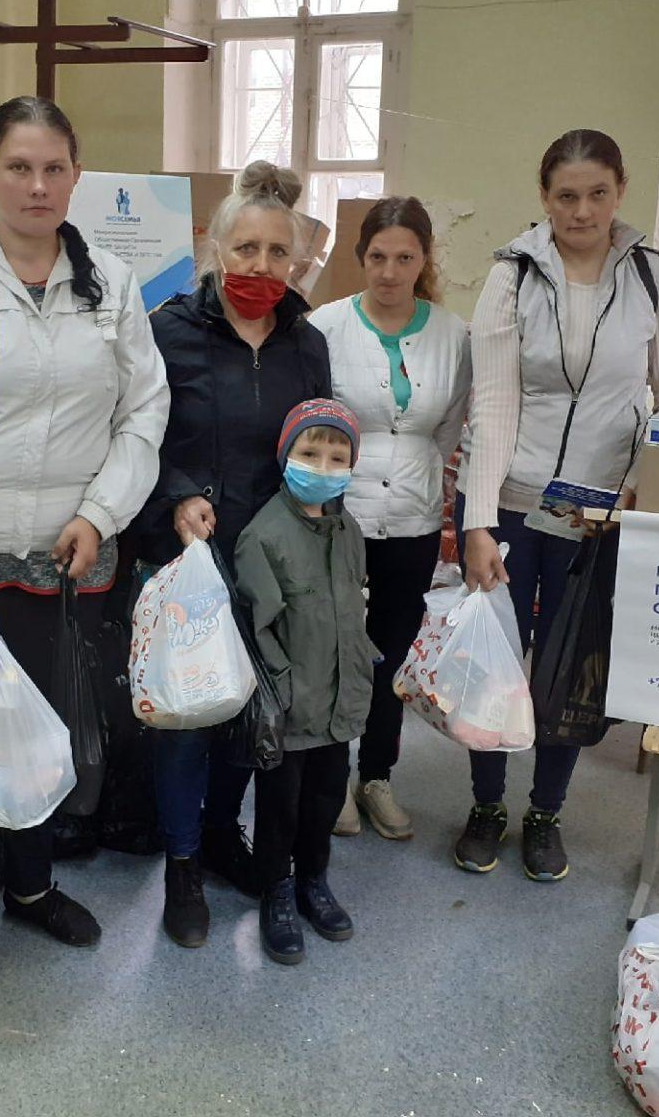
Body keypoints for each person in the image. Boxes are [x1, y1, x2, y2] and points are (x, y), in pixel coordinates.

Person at [0, 96, 169, 1001]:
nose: (38, 186)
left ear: (77, 176)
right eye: (18, 167)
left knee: (41, 736)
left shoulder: (110, 285)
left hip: (63, 558)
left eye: (55, 169)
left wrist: (102, 512)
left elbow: (144, 410)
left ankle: (35, 884)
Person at [456, 128, 659, 881]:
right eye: (566, 195)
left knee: (567, 670)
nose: (582, 210)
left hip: (599, 520)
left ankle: (546, 813)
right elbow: (492, 404)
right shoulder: (513, 275)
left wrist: (643, 488)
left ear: (619, 193)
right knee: (496, 665)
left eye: (597, 193)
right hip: (517, 509)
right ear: (544, 198)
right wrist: (478, 520)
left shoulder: (651, 274)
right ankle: (488, 804)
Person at [131, 162, 331, 948]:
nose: (260, 266)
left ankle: (220, 834)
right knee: (187, 714)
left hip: (268, 560)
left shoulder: (306, 344)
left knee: (252, 708)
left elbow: (318, 440)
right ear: (214, 249)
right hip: (184, 556)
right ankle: (181, 864)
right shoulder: (166, 330)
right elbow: (136, 432)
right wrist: (179, 493)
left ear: (294, 260)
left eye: (276, 252)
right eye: (244, 248)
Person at [309, 197, 471, 841]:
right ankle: (329, 778)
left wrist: (426, 486)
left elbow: (451, 426)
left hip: (412, 517)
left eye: (405, 258)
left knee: (391, 652)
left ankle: (375, 775)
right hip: (337, 515)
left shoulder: (452, 335)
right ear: (361, 258)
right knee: (334, 649)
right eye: (377, 257)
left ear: (424, 259)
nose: (389, 271)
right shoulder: (325, 327)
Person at [234, 399, 377, 965]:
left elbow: (354, 609)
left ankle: (314, 880)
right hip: (291, 710)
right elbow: (257, 629)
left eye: (337, 456)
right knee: (280, 810)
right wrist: (285, 689)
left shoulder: (349, 531)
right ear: (285, 456)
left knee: (323, 804)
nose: (322, 466)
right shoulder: (263, 537)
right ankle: (277, 889)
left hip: (341, 702)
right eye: (309, 452)